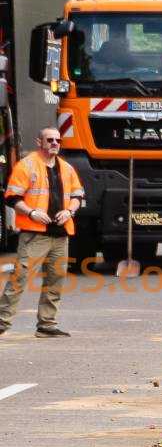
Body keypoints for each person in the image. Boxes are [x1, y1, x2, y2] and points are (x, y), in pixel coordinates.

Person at [1, 128, 83, 338]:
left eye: (57, 140)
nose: (55, 143)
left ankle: (46, 324)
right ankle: (2, 322)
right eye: (50, 140)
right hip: (35, 234)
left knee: (55, 281)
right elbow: (11, 197)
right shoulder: (26, 165)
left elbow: (77, 196)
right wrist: (32, 213)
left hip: (60, 234)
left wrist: (69, 211)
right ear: (40, 142)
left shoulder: (67, 168)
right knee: (19, 279)